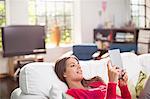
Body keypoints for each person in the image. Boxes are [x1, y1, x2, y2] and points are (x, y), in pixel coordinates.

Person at [54, 55, 131, 99]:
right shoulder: (72, 94)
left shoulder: (96, 83)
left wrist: (123, 86)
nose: (79, 67)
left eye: (78, 64)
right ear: (64, 73)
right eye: (73, 65)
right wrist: (112, 83)